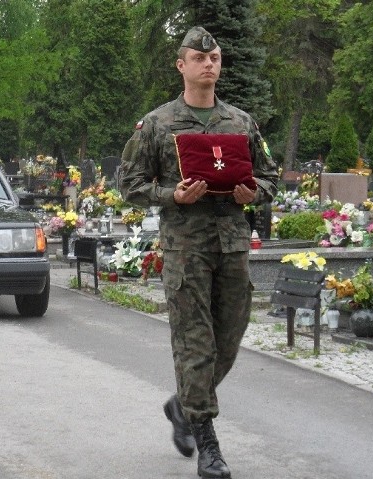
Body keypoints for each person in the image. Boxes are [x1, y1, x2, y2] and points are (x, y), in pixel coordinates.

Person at [119, 27, 278, 479]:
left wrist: (254, 194)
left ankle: (182, 405)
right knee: (195, 345)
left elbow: (270, 177)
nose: (209, 64)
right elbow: (129, 184)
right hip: (186, 249)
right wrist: (174, 196)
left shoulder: (241, 123)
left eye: (215, 57)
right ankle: (208, 444)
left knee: (230, 336)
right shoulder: (157, 123)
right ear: (182, 66)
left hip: (231, 246)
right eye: (199, 57)